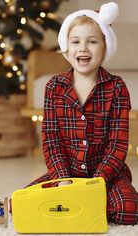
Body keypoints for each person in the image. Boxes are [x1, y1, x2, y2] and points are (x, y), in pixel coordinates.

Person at [27, 2, 138, 225]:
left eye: (92, 42)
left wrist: (98, 182)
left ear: (105, 47)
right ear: (66, 48)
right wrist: (62, 179)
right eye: (75, 42)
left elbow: (117, 145)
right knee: (25, 203)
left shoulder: (117, 88)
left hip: (106, 175)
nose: (83, 48)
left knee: (129, 210)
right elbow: (51, 140)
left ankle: (87, 204)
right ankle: (80, 204)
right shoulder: (54, 87)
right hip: (66, 173)